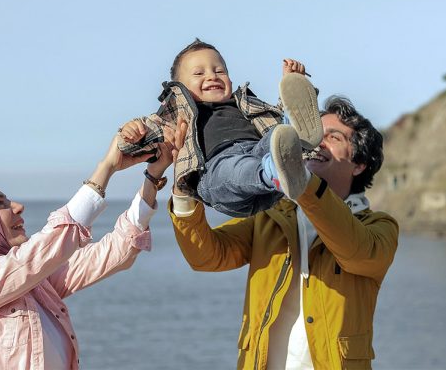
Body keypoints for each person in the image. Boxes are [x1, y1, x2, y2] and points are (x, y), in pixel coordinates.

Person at [168, 96, 399, 369]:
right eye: (312, 133)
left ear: (359, 163)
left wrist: (303, 183)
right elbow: (206, 256)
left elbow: (354, 251)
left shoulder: (379, 228)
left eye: (333, 137)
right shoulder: (270, 217)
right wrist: (184, 191)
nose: (317, 141)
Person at [0, 133, 174, 370]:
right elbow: (48, 247)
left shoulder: (31, 283)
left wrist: (151, 178)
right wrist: (106, 167)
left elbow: (115, 252)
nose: (17, 207)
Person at [117, 38, 323, 218]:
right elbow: (146, 135)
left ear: (230, 79)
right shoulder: (178, 114)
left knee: (276, 135)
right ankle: (276, 170)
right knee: (235, 169)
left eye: (219, 71)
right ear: (179, 88)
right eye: (199, 73)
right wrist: (131, 134)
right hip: (216, 171)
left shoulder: (246, 104)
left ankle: (293, 139)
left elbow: (273, 117)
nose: (212, 76)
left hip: (259, 154)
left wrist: (292, 83)